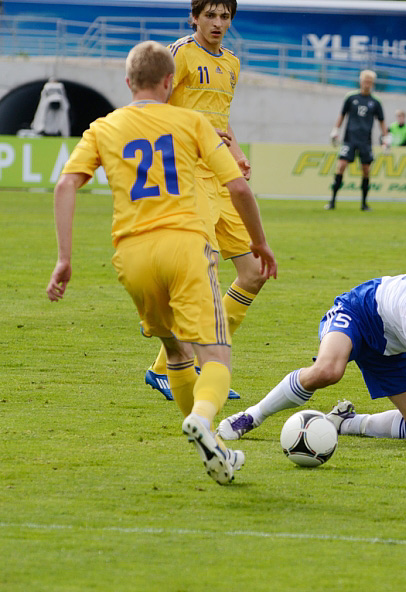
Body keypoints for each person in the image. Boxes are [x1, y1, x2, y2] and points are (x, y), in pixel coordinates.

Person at [45, 41, 277, 484]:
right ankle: (204, 420)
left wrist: (64, 259)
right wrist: (261, 243)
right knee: (216, 357)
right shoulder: (190, 120)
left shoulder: (103, 126)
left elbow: (65, 186)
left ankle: (218, 453)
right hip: (184, 246)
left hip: (131, 255)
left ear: (128, 81)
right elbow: (240, 189)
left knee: (175, 352)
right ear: (171, 82)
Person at [217, 265, 406, 448]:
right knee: (328, 371)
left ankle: (344, 422)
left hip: (394, 345)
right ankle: (252, 416)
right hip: (361, 312)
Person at [144, 0, 266, 402]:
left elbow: (218, 115)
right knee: (202, 273)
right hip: (188, 174)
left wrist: (237, 150)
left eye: (224, 16)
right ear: (194, 17)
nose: (217, 23)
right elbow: (154, 105)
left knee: (253, 272)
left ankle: (197, 362)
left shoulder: (231, 63)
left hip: (220, 174)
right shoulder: (179, 54)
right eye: (210, 15)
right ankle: (171, 366)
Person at [327, 69, 389, 211]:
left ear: (372, 83)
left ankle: (364, 203)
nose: (367, 84)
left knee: (366, 170)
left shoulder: (376, 102)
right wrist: (335, 130)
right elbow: (342, 115)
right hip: (349, 139)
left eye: (370, 82)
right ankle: (332, 201)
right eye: (365, 81)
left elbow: (382, 121)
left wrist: (386, 138)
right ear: (361, 81)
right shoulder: (351, 97)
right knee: (341, 166)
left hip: (365, 141)